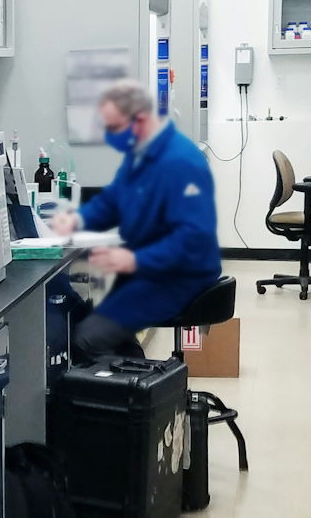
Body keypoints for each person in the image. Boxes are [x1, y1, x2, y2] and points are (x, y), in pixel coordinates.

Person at [50, 80, 220, 359]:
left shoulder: (180, 162)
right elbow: (114, 200)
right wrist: (76, 221)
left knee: (83, 340)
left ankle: (128, 394)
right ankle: (137, 378)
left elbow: (192, 238)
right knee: (86, 313)